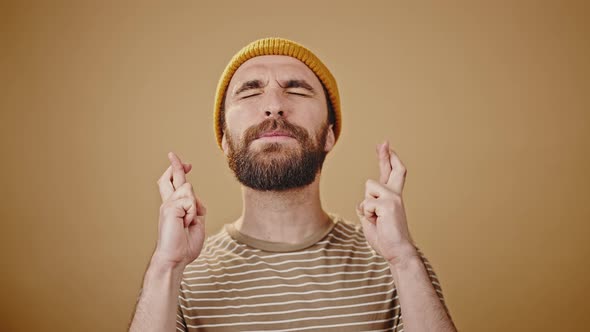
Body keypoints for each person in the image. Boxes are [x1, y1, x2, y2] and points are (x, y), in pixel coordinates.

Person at [129, 37, 457, 332]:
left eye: (297, 90)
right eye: (251, 91)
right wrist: (166, 267)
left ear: (329, 134)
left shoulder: (394, 263)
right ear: (226, 141)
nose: (274, 105)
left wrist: (403, 258)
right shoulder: (179, 276)